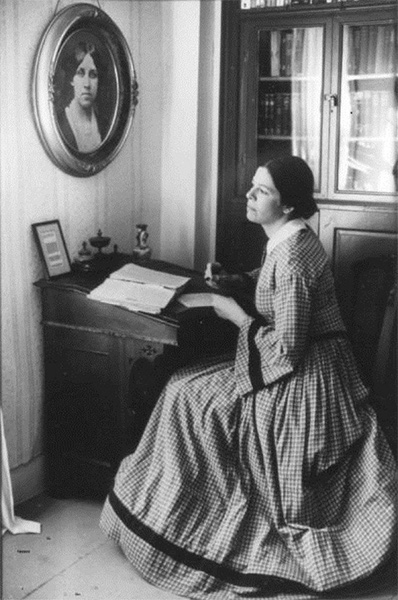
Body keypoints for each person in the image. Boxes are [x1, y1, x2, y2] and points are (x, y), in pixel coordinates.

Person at [100, 156, 396, 599]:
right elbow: (274, 283)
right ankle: (174, 504)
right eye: (252, 187)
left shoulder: (294, 255)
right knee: (184, 387)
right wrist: (238, 279)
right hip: (305, 360)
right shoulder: (287, 238)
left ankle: (183, 518)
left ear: (289, 206)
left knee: (186, 395)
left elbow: (290, 347)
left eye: (263, 191)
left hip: (305, 377)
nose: (251, 195)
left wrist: (235, 314)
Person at [56, 41, 109, 153]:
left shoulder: (105, 125)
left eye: (93, 75)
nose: (87, 84)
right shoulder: (60, 124)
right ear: (71, 79)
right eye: (80, 73)